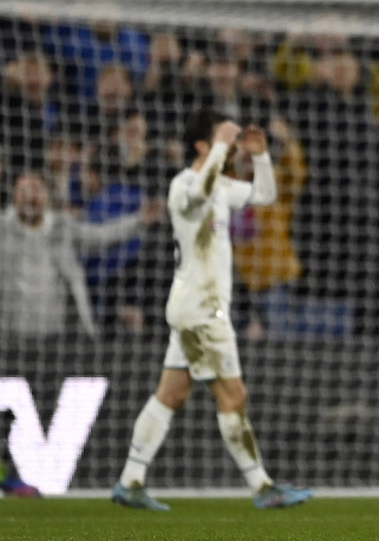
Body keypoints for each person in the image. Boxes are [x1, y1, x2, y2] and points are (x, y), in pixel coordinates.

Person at [111, 109, 312, 510]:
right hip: (201, 311)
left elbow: (265, 195)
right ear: (203, 144)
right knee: (234, 394)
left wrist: (260, 157)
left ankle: (130, 481)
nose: (231, 144)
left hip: (197, 309)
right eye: (223, 137)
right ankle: (262, 487)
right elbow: (199, 195)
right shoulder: (183, 185)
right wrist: (222, 142)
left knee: (171, 393)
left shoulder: (221, 186)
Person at [0, 172, 160, 339]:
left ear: (46, 195)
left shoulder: (61, 226)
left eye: (35, 190)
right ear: (14, 196)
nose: (30, 197)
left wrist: (139, 220)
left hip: (56, 336)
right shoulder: (3, 228)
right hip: (12, 336)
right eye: (23, 191)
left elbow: (101, 236)